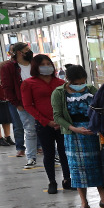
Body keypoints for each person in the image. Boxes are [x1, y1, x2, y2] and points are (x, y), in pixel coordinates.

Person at [51, 64, 104, 208]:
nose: (80, 86)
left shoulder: (91, 90)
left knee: (98, 166)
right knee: (77, 170)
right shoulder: (59, 93)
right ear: (68, 80)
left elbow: (102, 108)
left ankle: (103, 199)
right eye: (76, 83)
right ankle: (84, 203)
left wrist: (97, 126)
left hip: (93, 134)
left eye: (82, 82)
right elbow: (57, 116)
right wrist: (74, 129)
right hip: (73, 135)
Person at [21, 54, 70, 195]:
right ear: (36, 67)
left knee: (64, 153)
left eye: (49, 64)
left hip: (62, 124)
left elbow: (67, 102)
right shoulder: (28, 83)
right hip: (43, 124)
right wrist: (46, 121)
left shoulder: (61, 83)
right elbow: (28, 106)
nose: (47, 66)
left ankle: (67, 179)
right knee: (48, 154)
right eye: (43, 64)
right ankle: (52, 182)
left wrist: (62, 121)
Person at [0, 42, 39, 165]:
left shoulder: (35, 64)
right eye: (26, 49)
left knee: (44, 128)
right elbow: (7, 87)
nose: (29, 51)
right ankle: (30, 155)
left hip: (39, 101)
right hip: (23, 103)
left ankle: (46, 150)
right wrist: (17, 104)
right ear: (19, 52)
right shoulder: (9, 68)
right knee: (29, 129)